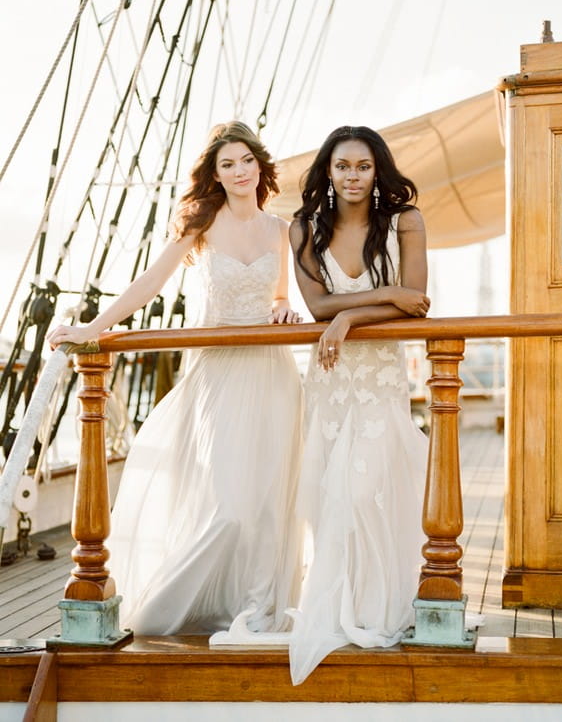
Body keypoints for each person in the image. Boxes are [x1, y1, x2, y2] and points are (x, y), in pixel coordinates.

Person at [47, 121, 304, 635]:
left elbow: (280, 294)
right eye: (226, 164)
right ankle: (173, 606)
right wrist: (94, 327)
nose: (238, 171)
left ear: (260, 164)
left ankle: (255, 607)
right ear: (214, 174)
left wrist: (284, 310)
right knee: (229, 504)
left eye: (245, 161)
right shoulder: (201, 226)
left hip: (272, 371)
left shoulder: (283, 230)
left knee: (268, 500)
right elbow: (149, 283)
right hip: (217, 372)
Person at [288, 125, 430, 685]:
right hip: (328, 380)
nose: (352, 176)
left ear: (378, 171)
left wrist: (349, 315)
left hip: (377, 379)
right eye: (342, 166)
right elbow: (316, 302)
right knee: (328, 495)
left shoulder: (405, 221)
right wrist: (377, 298)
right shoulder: (305, 227)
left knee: (365, 491)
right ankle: (341, 608)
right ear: (328, 170)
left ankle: (375, 607)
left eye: (363, 167)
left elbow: (414, 301)